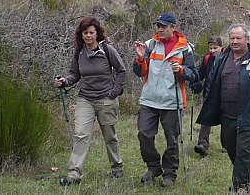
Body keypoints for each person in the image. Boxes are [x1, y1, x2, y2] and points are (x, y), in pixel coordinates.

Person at [197, 24, 250, 194]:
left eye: (239, 38)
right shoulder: (222, 58)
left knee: (243, 150)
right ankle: (242, 177)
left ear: (247, 39)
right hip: (226, 114)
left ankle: (241, 185)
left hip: (249, 114)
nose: (235, 41)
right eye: (232, 38)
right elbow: (213, 82)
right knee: (229, 147)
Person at [54, 16, 126, 186]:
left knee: (110, 136)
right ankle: (73, 174)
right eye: (85, 33)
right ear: (81, 34)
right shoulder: (79, 52)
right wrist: (64, 81)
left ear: (97, 33)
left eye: (91, 32)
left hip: (106, 99)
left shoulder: (107, 50)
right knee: (81, 135)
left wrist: (115, 92)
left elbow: (121, 70)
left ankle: (117, 168)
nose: (88, 36)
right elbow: (74, 74)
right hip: (85, 99)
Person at [133, 12, 198, 187]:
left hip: (172, 102)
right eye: (158, 26)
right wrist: (140, 59)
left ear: (173, 27)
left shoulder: (185, 48)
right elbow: (139, 72)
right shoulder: (150, 45)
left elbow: (194, 75)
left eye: (164, 26)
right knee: (144, 134)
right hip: (149, 100)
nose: (160, 29)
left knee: (172, 140)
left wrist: (182, 70)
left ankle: (169, 173)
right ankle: (153, 167)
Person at [193, 36, 224, 157]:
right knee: (206, 119)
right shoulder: (207, 59)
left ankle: (227, 144)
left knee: (226, 120)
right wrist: (194, 81)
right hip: (209, 94)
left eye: (215, 48)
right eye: (210, 48)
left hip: (224, 94)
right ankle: (202, 145)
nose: (212, 51)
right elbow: (200, 75)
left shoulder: (228, 59)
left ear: (221, 47)